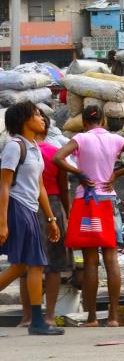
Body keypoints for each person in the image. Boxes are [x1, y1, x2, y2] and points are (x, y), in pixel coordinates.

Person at [53, 105, 124, 328]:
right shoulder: (115, 140)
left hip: (86, 202)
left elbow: (58, 158)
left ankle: (92, 318)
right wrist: (117, 173)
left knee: (90, 261)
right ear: (104, 121)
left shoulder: (80, 138)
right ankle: (114, 317)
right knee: (111, 259)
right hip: (108, 201)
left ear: (84, 122)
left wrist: (79, 173)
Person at [0, 102, 65, 335]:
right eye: (36, 114)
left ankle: (37, 321)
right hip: (17, 208)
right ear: (24, 120)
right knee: (34, 264)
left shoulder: (35, 147)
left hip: (30, 209)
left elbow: (40, 188)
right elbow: (4, 186)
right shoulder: (14, 147)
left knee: (21, 266)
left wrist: (51, 219)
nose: (42, 118)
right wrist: (3, 222)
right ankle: (37, 322)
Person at [19, 114, 70, 328]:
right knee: (54, 265)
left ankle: (27, 317)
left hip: (24, 207)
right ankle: (49, 316)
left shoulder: (19, 151)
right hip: (53, 206)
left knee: (25, 265)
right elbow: (63, 186)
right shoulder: (54, 154)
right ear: (47, 131)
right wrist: (66, 214)